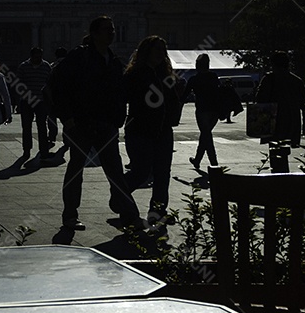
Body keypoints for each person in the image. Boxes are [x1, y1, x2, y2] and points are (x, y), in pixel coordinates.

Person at [49, 16, 140, 231]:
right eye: (107, 29)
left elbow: (119, 92)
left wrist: (118, 118)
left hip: (106, 124)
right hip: (82, 123)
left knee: (115, 170)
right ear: (95, 33)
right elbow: (58, 85)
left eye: (113, 29)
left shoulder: (113, 60)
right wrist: (67, 118)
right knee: (76, 169)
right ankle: (70, 215)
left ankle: (129, 214)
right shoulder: (80, 57)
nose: (112, 33)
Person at [123, 36, 184, 233]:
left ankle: (157, 213)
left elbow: (173, 100)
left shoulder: (165, 74)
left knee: (162, 174)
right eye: (157, 49)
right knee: (141, 171)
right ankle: (119, 194)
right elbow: (128, 97)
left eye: (163, 49)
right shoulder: (137, 74)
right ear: (146, 51)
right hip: (141, 130)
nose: (161, 53)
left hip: (163, 130)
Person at [254, 51, 305, 173]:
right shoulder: (296, 80)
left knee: (275, 154)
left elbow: (260, 100)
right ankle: (283, 179)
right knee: (283, 153)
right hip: (291, 122)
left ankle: (279, 182)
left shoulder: (269, 79)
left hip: (274, 122)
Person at [15, 47, 52, 161]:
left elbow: (50, 83)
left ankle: (44, 150)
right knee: (26, 127)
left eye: (40, 56)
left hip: (41, 101)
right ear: (31, 56)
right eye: (36, 56)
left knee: (42, 126)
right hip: (27, 101)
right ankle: (26, 150)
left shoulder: (46, 67)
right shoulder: (23, 66)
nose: (38, 58)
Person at [185, 53, 221, 171]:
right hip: (214, 110)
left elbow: (184, 95)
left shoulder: (194, 79)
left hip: (202, 110)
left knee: (206, 135)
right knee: (205, 135)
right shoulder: (214, 77)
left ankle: (214, 164)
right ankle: (197, 160)